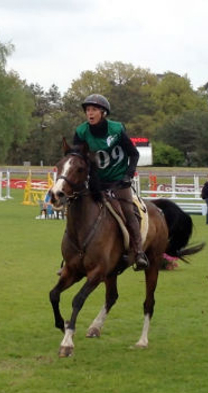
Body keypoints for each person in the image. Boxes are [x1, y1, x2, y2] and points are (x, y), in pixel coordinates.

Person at [72, 94, 148, 270]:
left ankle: (139, 252)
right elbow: (77, 157)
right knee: (79, 212)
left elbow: (134, 154)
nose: (89, 113)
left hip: (118, 180)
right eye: (87, 110)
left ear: (103, 112)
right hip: (96, 181)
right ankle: (71, 256)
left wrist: (128, 175)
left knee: (128, 211)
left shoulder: (116, 129)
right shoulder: (81, 132)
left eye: (94, 110)